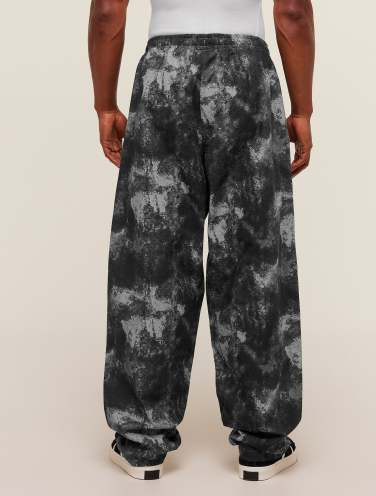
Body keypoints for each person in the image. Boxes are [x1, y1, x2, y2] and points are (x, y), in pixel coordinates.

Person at [88, 0, 314, 482]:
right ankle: (263, 441)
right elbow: (292, 12)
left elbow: (107, 13)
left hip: (163, 73)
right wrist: (302, 108)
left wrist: (104, 104)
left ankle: (142, 440)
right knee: (256, 257)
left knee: (150, 256)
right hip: (247, 75)